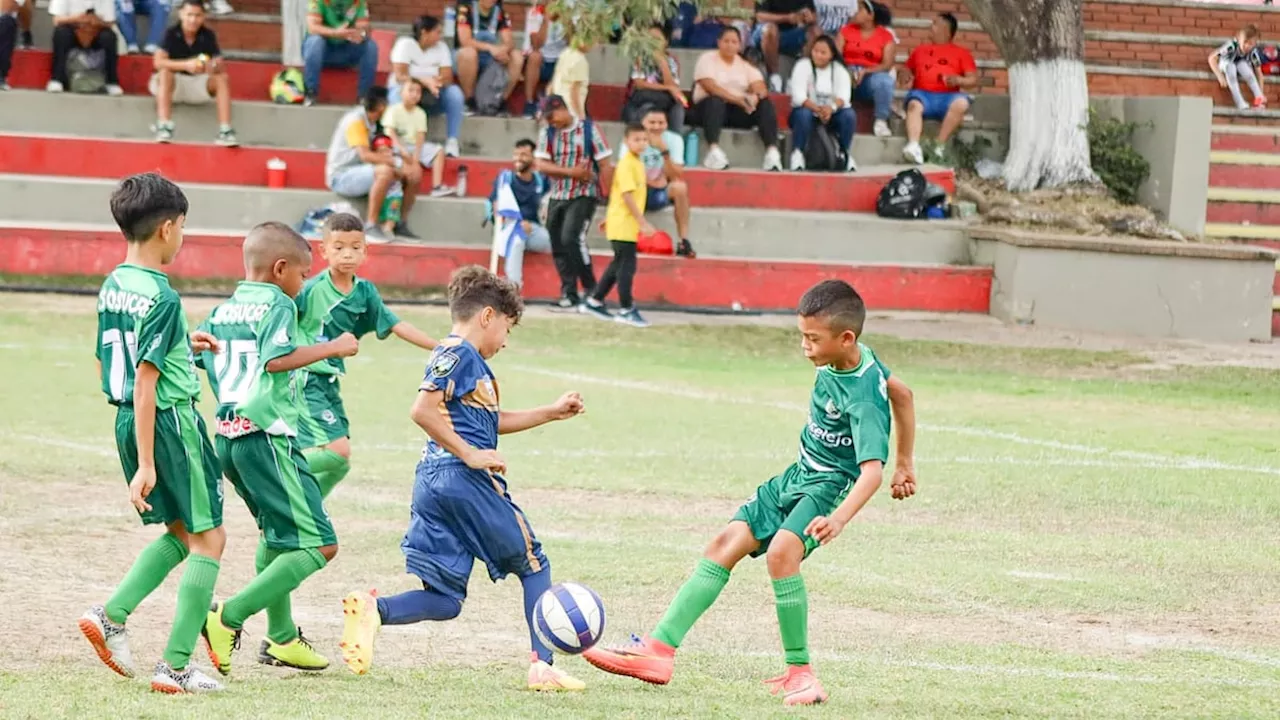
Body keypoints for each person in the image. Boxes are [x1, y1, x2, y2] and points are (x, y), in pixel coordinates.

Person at [583, 279, 918, 706]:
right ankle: (659, 652)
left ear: (846, 338)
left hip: (828, 486)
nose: (805, 347)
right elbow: (903, 393)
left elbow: (871, 471)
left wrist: (839, 517)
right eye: (802, 336)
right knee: (725, 542)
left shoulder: (863, 397)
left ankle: (802, 674)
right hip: (797, 474)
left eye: (813, 339)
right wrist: (907, 463)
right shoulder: (845, 359)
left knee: (782, 554)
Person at [338, 266, 589, 692]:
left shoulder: (456, 356)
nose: (506, 341)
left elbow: (490, 421)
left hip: (433, 482)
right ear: (487, 316)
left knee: (445, 599)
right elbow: (422, 410)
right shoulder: (461, 354)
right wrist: (470, 454)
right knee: (533, 564)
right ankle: (542, 667)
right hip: (461, 478)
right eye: (507, 328)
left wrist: (550, 411)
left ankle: (374, 610)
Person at [79, 172, 226, 694]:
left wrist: (183, 344)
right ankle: (177, 666)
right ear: (167, 228)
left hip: (126, 416)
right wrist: (147, 461)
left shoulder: (115, 283)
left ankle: (112, 615)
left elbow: (109, 360)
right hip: (167, 422)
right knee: (210, 538)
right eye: (184, 226)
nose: (183, 235)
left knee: (182, 535)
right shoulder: (162, 294)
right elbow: (148, 381)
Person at [197, 222, 360, 676]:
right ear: (281, 269)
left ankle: (284, 638)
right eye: (303, 275)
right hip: (266, 438)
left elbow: (192, 350)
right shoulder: (278, 304)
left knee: (277, 537)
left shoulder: (224, 310)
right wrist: (334, 347)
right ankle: (226, 617)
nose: (303, 283)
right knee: (320, 546)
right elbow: (274, 360)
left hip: (228, 438)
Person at [293, 212, 438, 504]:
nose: (348, 254)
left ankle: (305, 510)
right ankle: (272, 476)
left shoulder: (365, 293)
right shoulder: (308, 291)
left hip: (330, 381)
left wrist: (441, 347)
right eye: (339, 247)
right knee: (338, 452)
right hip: (306, 378)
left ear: (365, 251)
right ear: (323, 251)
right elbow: (276, 320)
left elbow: (397, 325)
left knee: (340, 464)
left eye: (355, 247)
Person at [535, 94, 609, 309]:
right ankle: (569, 292)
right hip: (558, 194)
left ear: (563, 109)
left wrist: (611, 196)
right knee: (557, 241)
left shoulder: (589, 130)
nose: (551, 122)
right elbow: (541, 165)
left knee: (572, 237)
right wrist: (572, 172)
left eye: (552, 116)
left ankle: (590, 288)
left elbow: (605, 164)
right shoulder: (547, 133)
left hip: (584, 193)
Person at [325, 87, 421, 242]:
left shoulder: (377, 123)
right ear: (382, 106)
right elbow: (365, 155)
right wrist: (396, 164)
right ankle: (370, 226)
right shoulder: (355, 121)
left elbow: (385, 150)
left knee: (413, 174)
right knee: (384, 171)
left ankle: (399, 224)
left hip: (363, 172)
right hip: (342, 176)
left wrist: (405, 165)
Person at [583, 124, 652, 328]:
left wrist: (610, 218)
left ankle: (595, 300)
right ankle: (626, 308)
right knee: (626, 266)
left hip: (622, 221)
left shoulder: (636, 163)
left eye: (644, 140)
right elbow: (627, 195)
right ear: (626, 141)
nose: (641, 143)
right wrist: (642, 221)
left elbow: (617, 194)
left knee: (619, 263)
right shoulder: (627, 164)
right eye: (636, 139)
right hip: (625, 223)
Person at [689, 26, 782, 171]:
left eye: (734, 42)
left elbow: (760, 87)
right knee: (715, 100)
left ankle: (772, 152)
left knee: (765, 104)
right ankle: (713, 150)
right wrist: (738, 99)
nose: (730, 45)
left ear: (739, 45)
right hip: (707, 110)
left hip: (735, 111)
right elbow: (710, 87)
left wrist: (755, 98)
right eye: (726, 41)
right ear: (718, 42)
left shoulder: (744, 65)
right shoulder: (707, 59)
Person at [150, 0, 237, 147]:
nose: (193, 20)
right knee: (165, 73)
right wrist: (186, 64)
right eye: (189, 15)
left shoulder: (208, 35)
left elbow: (219, 64)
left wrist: (211, 66)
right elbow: (157, 62)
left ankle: (225, 131)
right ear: (181, 14)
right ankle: (163, 126)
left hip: (197, 83)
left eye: (198, 16)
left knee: (222, 79)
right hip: (172, 84)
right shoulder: (170, 33)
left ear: (204, 17)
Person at [901, 13, 978, 165]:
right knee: (913, 104)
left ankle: (939, 146)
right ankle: (914, 146)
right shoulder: (920, 50)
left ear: (946, 31)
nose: (931, 27)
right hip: (922, 95)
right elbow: (905, 70)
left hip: (948, 97)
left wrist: (958, 80)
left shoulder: (962, 53)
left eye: (935, 24)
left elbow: (973, 80)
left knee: (962, 103)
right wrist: (904, 75)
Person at [389, 15, 465, 158]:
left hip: (433, 94)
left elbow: (447, 76)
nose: (440, 36)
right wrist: (424, 81)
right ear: (424, 32)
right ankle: (398, 141)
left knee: (455, 93)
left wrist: (434, 83)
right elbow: (400, 76)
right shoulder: (405, 44)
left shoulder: (441, 47)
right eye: (437, 32)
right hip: (406, 92)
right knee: (396, 94)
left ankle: (452, 141)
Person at [489, 138, 552, 289]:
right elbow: (496, 205)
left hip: (533, 229)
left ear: (533, 158)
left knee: (555, 241)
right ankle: (514, 287)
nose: (518, 159)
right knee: (517, 239)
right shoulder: (505, 179)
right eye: (516, 154)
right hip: (509, 228)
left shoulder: (541, 181)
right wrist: (518, 223)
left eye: (523, 155)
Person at [383, 78, 458, 203]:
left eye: (418, 92)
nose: (414, 94)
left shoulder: (420, 113)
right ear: (401, 92)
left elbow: (420, 137)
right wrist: (402, 150)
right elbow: (390, 133)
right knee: (391, 154)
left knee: (439, 151)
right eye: (410, 90)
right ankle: (394, 186)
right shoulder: (393, 110)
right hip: (397, 146)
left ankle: (437, 186)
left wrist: (416, 159)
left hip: (413, 147)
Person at [788, 34, 855, 171]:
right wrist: (817, 109)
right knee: (803, 114)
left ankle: (844, 153)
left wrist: (831, 109)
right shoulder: (802, 66)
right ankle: (797, 153)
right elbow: (798, 97)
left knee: (849, 115)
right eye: (815, 51)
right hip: (808, 112)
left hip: (831, 113)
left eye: (823, 52)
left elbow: (844, 97)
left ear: (831, 55)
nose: (818, 55)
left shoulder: (839, 70)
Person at [638, 107, 695, 257]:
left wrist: (664, 152)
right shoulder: (633, 138)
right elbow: (627, 171)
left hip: (660, 190)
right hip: (637, 190)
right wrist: (651, 182)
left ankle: (684, 240)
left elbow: (676, 174)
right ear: (643, 123)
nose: (656, 127)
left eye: (661, 123)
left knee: (680, 187)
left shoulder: (674, 140)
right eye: (652, 122)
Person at [302, 0, 378, 106]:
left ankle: (364, 96)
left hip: (346, 49)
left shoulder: (358, 2)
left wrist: (361, 35)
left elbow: (364, 28)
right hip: (323, 52)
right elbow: (312, 28)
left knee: (370, 46)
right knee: (315, 41)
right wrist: (335, 33)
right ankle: (310, 93)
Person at [454, 0, 524, 115]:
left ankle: (501, 101)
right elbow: (465, 41)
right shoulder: (466, 10)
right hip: (466, 56)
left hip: (490, 57)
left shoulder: (501, 13)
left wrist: (503, 50)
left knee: (516, 56)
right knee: (469, 53)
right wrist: (491, 48)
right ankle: (469, 101)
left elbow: (509, 41)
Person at [838, 0, 896, 137]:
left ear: (871, 16)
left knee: (885, 81)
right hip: (846, 74)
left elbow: (887, 65)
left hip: (869, 77)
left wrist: (865, 71)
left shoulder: (886, 36)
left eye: (860, 10)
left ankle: (881, 121)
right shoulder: (846, 30)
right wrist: (848, 71)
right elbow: (836, 56)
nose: (855, 13)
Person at [47, 0, 123, 95]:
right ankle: (57, 79)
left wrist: (95, 21)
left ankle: (112, 81)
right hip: (72, 27)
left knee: (109, 37)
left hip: (95, 29)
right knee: (61, 33)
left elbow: (110, 22)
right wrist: (77, 19)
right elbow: (57, 20)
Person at [625, 23, 687, 132]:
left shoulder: (671, 61)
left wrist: (663, 63)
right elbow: (639, 84)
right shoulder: (639, 58)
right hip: (642, 96)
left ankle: (675, 139)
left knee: (677, 108)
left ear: (666, 42)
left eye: (657, 39)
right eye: (649, 39)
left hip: (664, 99)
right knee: (646, 100)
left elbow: (673, 88)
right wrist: (666, 88)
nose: (653, 43)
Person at [751, 0, 816, 93]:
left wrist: (810, 17)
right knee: (770, 29)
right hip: (765, 31)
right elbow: (760, 16)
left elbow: (814, 16)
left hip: (791, 34)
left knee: (814, 32)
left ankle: (798, 76)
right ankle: (774, 78)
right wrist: (788, 18)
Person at [521, 1, 567, 118]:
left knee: (569, 58)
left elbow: (572, 43)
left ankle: (555, 103)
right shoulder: (535, 12)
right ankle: (529, 102)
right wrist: (546, 20)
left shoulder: (568, 14)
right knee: (535, 56)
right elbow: (536, 45)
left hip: (559, 60)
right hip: (540, 61)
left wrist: (566, 21)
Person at [1211, 24, 1265, 110]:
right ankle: (1239, 101)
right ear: (1239, 39)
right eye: (1245, 42)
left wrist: (1261, 92)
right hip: (1227, 63)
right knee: (1231, 68)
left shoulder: (1253, 52)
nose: (1247, 46)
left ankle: (1259, 98)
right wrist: (1220, 76)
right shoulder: (1231, 46)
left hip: (1240, 64)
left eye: (1251, 44)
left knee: (1244, 67)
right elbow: (1212, 58)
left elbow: (1259, 74)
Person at [548, 33, 591, 119]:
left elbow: (552, 85)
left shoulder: (564, 54)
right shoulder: (580, 60)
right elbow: (574, 91)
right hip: (571, 111)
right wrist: (581, 116)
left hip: (557, 107)